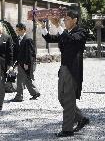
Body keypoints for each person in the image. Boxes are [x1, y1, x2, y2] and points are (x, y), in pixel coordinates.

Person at [37, 9, 89, 137]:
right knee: (62, 98)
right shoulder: (65, 32)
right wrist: (43, 27)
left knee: (69, 99)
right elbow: (50, 38)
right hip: (64, 68)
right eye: (64, 19)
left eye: (67, 19)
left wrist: (57, 25)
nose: (64, 22)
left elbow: (71, 40)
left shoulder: (81, 32)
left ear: (75, 20)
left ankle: (67, 130)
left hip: (73, 70)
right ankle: (81, 118)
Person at [10, 23, 40, 102]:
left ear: (23, 30)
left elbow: (30, 53)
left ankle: (19, 96)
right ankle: (35, 93)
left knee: (20, 80)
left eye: (18, 30)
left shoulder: (28, 39)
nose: (17, 32)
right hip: (20, 63)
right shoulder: (18, 39)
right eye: (16, 30)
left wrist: (27, 64)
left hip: (26, 63)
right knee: (26, 79)